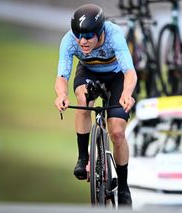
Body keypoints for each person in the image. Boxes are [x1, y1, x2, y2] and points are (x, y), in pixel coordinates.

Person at [54, 3, 137, 206]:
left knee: (117, 131)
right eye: (78, 35)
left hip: (116, 77)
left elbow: (130, 71)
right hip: (89, 73)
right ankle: (83, 158)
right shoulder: (69, 41)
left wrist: (126, 94)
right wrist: (62, 95)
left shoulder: (114, 34)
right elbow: (62, 75)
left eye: (88, 36)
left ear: (100, 32)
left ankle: (124, 185)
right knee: (83, 100)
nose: (82, 41)